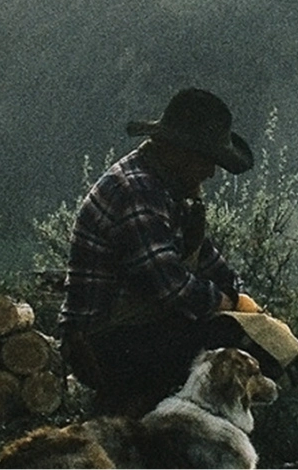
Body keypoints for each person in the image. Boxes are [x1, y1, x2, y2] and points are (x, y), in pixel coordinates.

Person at [58, 88, 264, 417]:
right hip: (100, 341)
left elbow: (206, 257)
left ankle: (174, 422)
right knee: (227, 338)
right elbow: (174, 288)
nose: (211, 172)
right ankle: (183, 427)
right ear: (181, 152)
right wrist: (232, 305)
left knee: (245, 333)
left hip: (136, 329)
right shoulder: (136, 191)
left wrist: (244, 300)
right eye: (206, 159)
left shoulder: (172, 189)